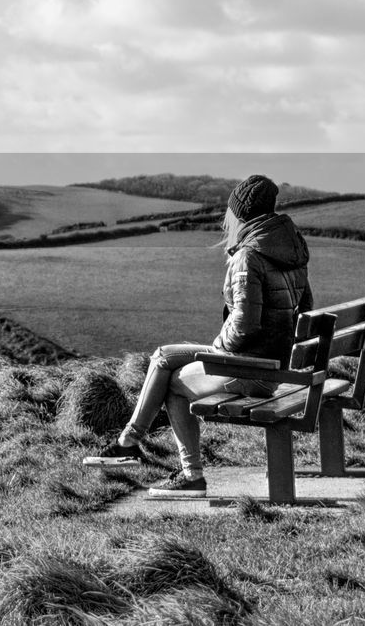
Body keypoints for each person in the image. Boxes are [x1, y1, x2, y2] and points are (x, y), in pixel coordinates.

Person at [82, 174, 313, 497]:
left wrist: (217, 350)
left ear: (241, 214)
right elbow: (305, 310)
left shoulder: (249, 255)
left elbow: (245, 324)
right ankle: (129, 442)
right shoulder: (292, 250)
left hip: (250, 369)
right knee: (162, 357)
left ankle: (183, 471)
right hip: (271, 364)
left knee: (174, 385)